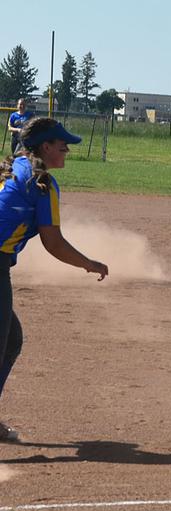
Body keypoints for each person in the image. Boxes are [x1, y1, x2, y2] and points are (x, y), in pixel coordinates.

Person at [0, 117, 109, 442]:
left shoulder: (7, 169)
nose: (67, 150)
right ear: (45, 147)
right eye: (62, 145)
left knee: (11, 339)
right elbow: (54, 243)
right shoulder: (41, 183)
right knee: (4, 344)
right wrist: (89, 264)